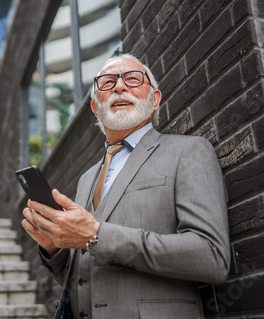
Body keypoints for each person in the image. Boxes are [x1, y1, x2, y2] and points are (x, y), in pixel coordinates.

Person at [21, 53, 230, 318]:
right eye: (107, 83)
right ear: (96, 108)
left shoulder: (188, 152)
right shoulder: (87, 178)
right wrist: (55, 246)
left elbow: (212, 257)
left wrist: (95, 236)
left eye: (132, 79)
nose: (119, 86)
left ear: (154, 100)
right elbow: (85, 277)